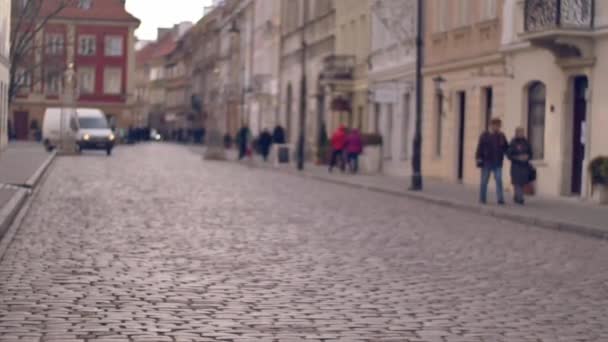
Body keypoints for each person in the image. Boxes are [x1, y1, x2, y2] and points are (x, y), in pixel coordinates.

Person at [475, 118, 509, 205]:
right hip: (487, 161)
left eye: (499, 126)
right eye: (497, 126)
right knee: (484, 180)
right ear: (492, 125)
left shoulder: (501, 136)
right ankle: (482, 198)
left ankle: (500, 199)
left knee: (499, 180)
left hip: (498, 162)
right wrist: (478, 158)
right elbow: (480, 147)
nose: (498, 128)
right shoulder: (485, 135)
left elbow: (506, 147)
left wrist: (509, 155)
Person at [508, 127, 533, 205]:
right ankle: (520, 198)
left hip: (524, 165)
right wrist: (517, 157)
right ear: (517, 133)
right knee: (517, 182)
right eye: (520, 132)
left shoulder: (526, 142)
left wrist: (527, 156)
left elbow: (531, 152)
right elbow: (509, 155)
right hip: (516, 165)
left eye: (522, 132)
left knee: (522, 182)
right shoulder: (513, 142)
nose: (522, 134)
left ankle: (517, 196)